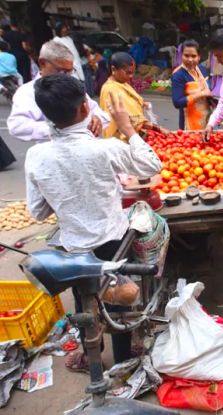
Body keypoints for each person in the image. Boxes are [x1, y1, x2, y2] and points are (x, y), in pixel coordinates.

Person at [26, 74, 162, 370]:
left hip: (73, 248)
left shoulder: (36, 156)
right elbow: (152, 165)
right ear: (85, 108)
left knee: (82, 296)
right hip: (112, 240)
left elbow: (37, 212)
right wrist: (127, 128)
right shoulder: (105, 148)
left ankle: (91, 356)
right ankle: (124, 359)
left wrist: (64, 193)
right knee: (118, 299)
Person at [8, 41, 108, 142]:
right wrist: (62, 128)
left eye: (70, 71)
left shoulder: (72, 85)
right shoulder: (28, 92)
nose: (66, 76)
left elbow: (101, 114)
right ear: (42, 63)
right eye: (62, 71)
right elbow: (18, 126)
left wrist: (97, 118)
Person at [99, 52, 165, 141]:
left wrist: (141, 103)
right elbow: (132, 119)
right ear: (113, 69)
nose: (131, 76)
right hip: (120, 141)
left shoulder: (121, 83)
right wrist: (159, 129)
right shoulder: (111, 89)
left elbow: (129, 100)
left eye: (133, 72)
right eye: (128, 72)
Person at [171, 39, 212, 130]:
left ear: (199, 57)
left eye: (193, 56)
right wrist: (201, 94)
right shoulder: (178, 75)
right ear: (181, 55)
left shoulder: (202, 69)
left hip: (207, 120)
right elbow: (177, 102)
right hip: (189, 124)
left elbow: (208, 91)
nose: (190, 59)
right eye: (186, 55)